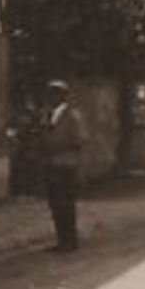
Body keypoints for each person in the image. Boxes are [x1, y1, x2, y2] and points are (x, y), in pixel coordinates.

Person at [42, 79, 85, 252]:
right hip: (51, 164)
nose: (51, 97)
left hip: (66, 165)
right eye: (50, 94)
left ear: (63, 96)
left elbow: (79, 139)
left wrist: (57, 145)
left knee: (65, 203)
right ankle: (61, 240)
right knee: (54, 204)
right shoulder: (48, 114)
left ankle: (70, 241)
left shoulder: (73, 115)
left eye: (55, 94)